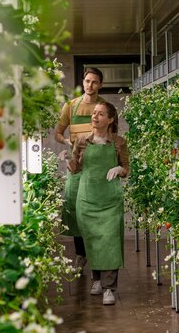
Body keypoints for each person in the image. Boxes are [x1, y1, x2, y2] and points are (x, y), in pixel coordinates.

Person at [67, 101, 129, 305]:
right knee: (92, 240)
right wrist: (68, 160)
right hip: (88, 198)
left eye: (100, 114)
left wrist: (119, 170)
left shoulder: (119, 142)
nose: (94, 117)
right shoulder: (82, 141)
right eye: (94, 113)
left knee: (110, 241)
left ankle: (109, 287)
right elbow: (75, 169)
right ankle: (96, 281)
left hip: (110, 200)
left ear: (110, 119)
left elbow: (126, 169)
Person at [55, 67, 105, 270]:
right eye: (87, 81)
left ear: (100, 85)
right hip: (76, 165)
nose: (89, 85)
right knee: (74, 207)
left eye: (94, 82)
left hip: (98, 165)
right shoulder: (70, 106)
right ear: (83, 82)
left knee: (97, 209)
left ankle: (97, 255)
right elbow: (57, 133)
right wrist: (68, 142)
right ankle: (80, 253)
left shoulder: (104, 107)